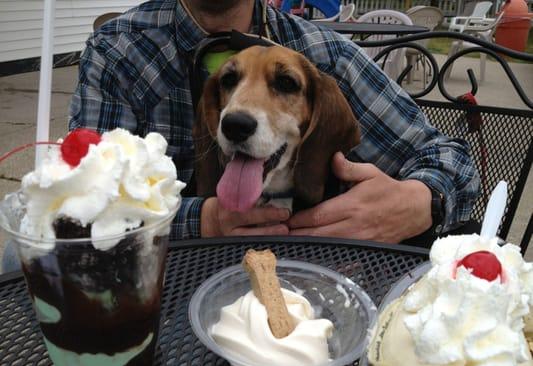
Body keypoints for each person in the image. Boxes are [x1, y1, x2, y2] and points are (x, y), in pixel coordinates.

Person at [68, 0, 480, 247]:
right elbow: (86, 203)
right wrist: (204, 220)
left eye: (283, 84)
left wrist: (422, 200)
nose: (240, 112)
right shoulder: (118, 52)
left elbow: (452, 160)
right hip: (166, 276)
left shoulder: (323, 55)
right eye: (229, 82)